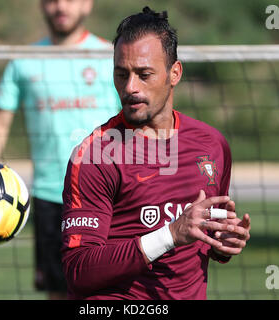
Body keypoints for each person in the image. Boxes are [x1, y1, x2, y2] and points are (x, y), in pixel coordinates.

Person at [61, 6, 251, 300]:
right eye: (121, 74)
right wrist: (170, 235)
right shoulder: (95, 155)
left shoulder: (211, 144)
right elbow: (79, 272)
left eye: (143, 74)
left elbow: (204, 238)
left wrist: (222, 242)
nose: (130, 87)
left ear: (174, 73)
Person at [0, 0, 121, 300]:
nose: (60, 7)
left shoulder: (113, 57)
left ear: (87, 4)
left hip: (110, 197)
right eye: (51, 0)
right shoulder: (24, 62)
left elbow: (139, 124)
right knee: (59, 293)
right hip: (50, 198)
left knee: (115, 294)